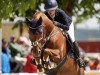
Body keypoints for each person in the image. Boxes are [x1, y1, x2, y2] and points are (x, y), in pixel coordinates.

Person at [44, 0, 85, 68]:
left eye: (51, 10)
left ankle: (79, 58)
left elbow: (67, 27)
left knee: (72, 39)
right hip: (55, 28)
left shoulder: (61, 12)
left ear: (55, 9)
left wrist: (57, 24)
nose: (49, 12)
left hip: (67, 25)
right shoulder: (46, 14)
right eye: (48, 10)